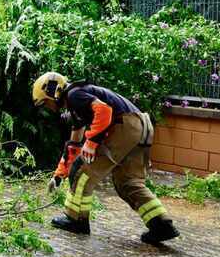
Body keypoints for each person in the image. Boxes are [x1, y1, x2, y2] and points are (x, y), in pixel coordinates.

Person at [33, 72, 180, 244]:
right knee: (128, 182)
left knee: (82, 171)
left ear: (53, 91)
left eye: (45, 102)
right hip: (141, 127)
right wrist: (58, 176)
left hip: (125, 125)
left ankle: (75, 220)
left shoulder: (74, 95)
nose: (47, 107)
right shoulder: (78, 102)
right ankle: (161, 225)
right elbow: (73, 145)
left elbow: (104, 110)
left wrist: (93, 141)